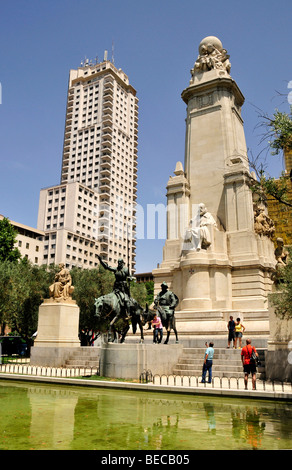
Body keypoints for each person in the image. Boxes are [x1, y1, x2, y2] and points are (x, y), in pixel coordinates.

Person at [97, 255, 132, 323]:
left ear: (122, 263)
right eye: (118, 262)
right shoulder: (115, 269)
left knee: (126, 300)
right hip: (116, 288)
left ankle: (128, 313)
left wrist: (130, 278)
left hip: (123, 288)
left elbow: (129, 276)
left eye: (120, 262)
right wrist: (101, 261)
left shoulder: (126, 269)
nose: (118, 263)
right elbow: (107, 267)